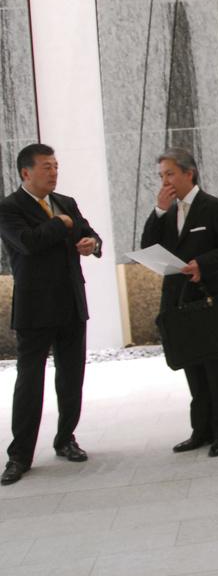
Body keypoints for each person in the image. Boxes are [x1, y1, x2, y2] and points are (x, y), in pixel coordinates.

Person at [0, 143, 102, 486]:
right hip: (35, 309)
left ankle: (66, 439)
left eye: (56, 166)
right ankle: (19, 455)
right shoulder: (9, 208)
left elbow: (89, 233)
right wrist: (61, 223)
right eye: (47, 167)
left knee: (71, 378)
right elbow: (28, 242)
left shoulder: (66, 202)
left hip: (71, 304)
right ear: (25, 172)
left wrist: (92, 244)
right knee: (30, 383)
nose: (54, 173)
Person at [141, 148, 218, 457]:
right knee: (191, 364)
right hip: (177, 301)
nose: (165, 181)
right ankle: (200, 431)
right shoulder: (167, 212)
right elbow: (148, 246)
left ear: (189, 173)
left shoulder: (214, 207)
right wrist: (159, 211)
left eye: (170, 174)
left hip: (209, 297)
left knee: (216, 365)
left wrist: (203, 263)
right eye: (161, 176)